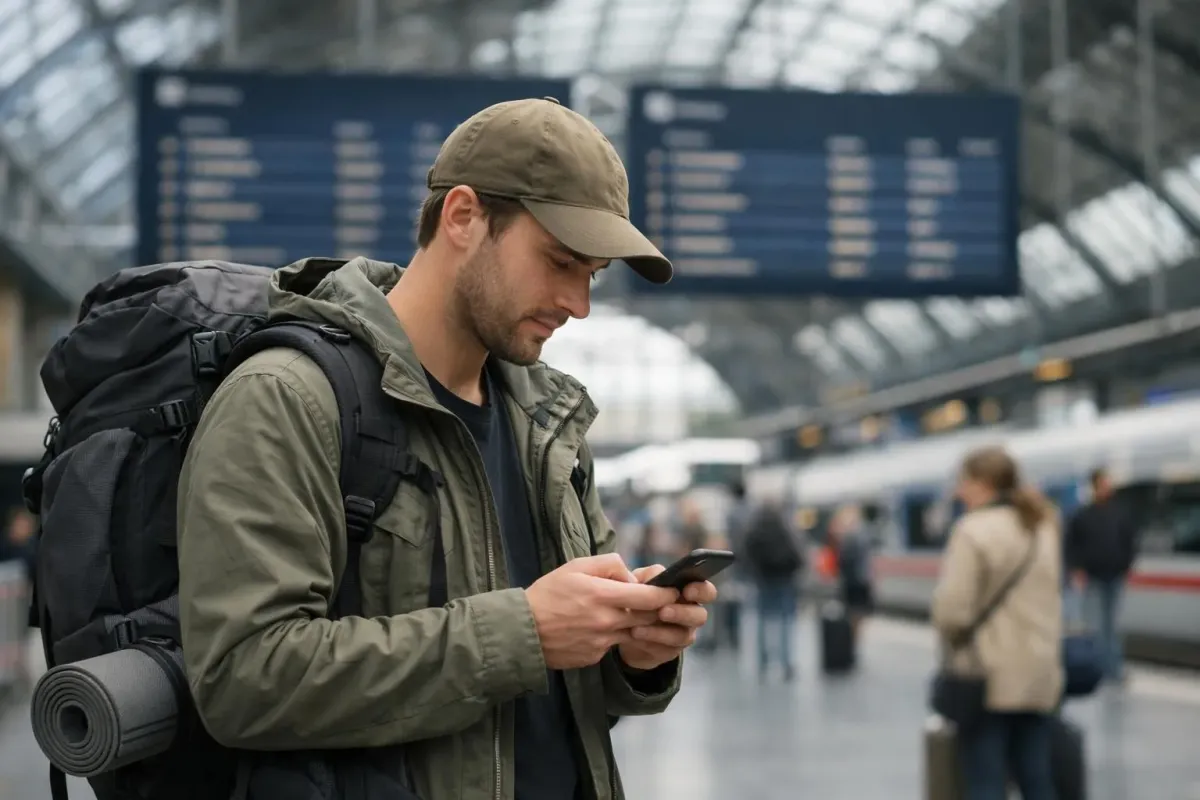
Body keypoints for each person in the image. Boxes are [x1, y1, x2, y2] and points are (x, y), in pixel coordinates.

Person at [176, 97, 717, 800]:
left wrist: (635, 654)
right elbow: (242, 680)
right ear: (462, 216)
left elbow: (567, 690)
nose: (579, 303)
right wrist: (523, 631)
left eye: (593, 274)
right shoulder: (290, 399)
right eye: (559, 261)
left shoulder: (547, 425)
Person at [932, 446, 1063, 800]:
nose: (959, 491)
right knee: (1037, 779)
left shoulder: (972, 530)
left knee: (986, 782)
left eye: (964, 482)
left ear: (984, 482)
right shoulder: (1042, 527)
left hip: (986, 676)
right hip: (1038, 673)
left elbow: (952, 611)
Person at [1065, 467, 1139, 683]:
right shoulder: (1083, 515)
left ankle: (1113, 669)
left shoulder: (1120, 513)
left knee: (1112, 625)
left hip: (1114, 575)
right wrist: (1076, 570)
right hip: (1092, 576)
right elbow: (1072, 545)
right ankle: (1097, 668)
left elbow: (1130, 542)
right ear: (1095, 486)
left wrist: (1127, 566)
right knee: (1096, 624)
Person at [742, 497, 804, 681]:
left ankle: (763, 662)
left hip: (762, 581)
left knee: (762, 621)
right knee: (786, 621)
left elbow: (746, 553)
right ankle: (786, 663)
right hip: (784, 580)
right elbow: (798, 553)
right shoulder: (785, 528)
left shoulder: (754, 529)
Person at [828, 504, 873, 642]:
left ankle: (851, 641)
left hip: (853, 581)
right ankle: (853, 641)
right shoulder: (862, 534)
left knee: (853, 613)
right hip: (860, 580)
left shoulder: (850, 537)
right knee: (857, 613)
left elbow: (844, 560)